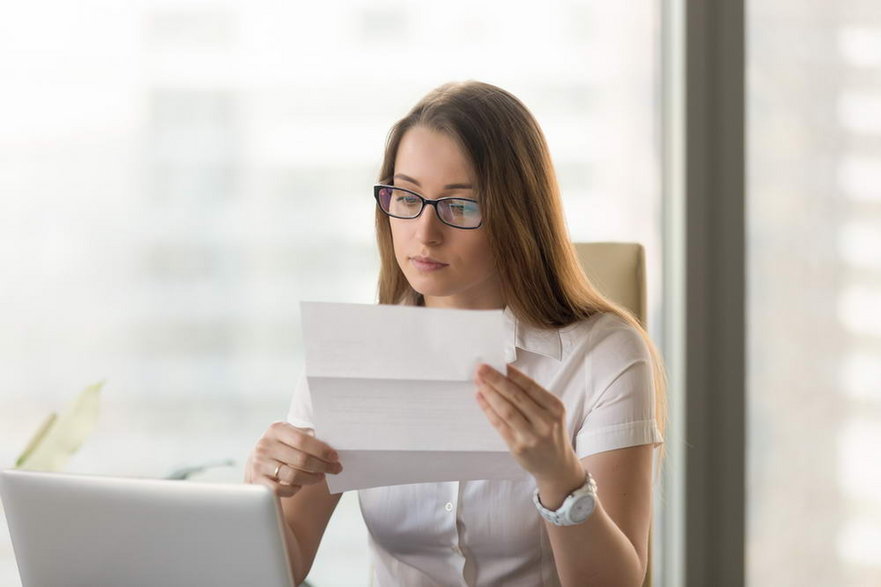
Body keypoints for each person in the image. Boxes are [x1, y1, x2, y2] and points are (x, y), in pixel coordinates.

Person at [244, 80, 667, 587]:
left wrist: (560, 477)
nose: (425, 234)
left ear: (517, 216)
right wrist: (261, 493)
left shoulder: (603, 353)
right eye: (406, 197)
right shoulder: (355, 353)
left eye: (460, 206)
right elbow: (283, 568)